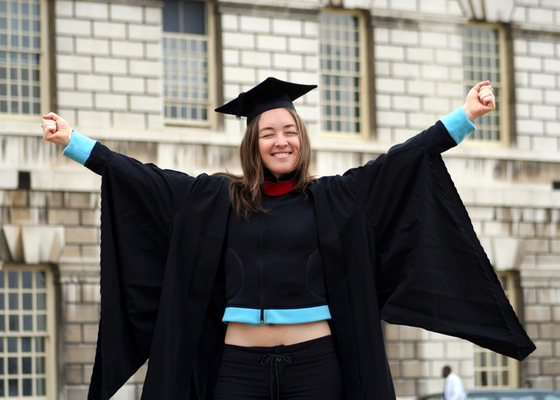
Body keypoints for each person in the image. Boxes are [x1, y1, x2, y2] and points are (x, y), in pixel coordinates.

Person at [42, 77, 535, 400]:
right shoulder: (215, 199)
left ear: (301, 139)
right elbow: (141, 178)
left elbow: (402, 161)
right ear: (253, 144)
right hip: (237, 370)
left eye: (290, 130)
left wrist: (464, 117)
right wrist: (74, 143)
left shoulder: (336, 198)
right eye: (269, 133)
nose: (282, 140)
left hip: (316, 369)